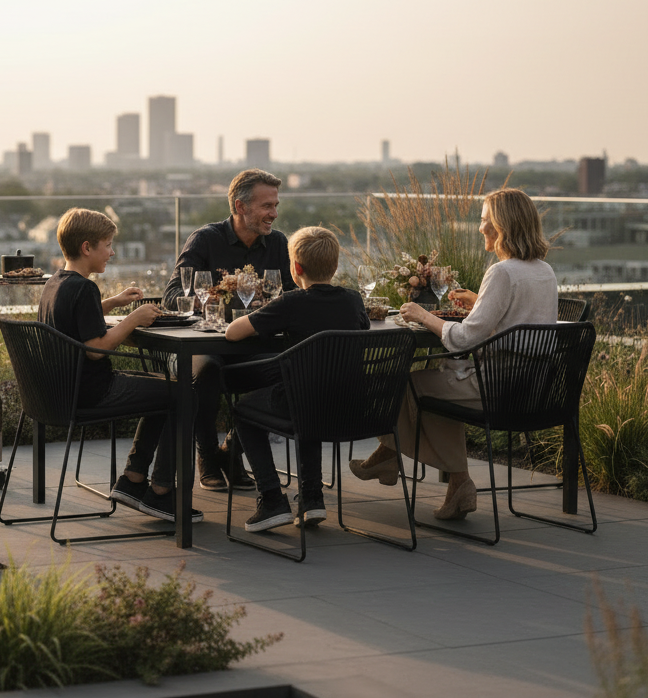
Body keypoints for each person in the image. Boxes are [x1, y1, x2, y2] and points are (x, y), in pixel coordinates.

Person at [349, 188, 557, 521]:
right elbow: (521, 320)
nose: (480, 228)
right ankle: (400, 460)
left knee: (409, 384)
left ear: (502, 225)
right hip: (534, 388)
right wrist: (481, 303)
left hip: (496, 387)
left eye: (484, 220)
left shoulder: (503, 272)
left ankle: (446, 475)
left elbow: (461, 340)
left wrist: (422, 315)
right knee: (428, 386)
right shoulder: (543, 271)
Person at [39, 207, 201, 523]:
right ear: (87, 247)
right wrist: (134, 318)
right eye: (108, 245)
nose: (112, 252)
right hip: (92, 392)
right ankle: (162, 493)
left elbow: (76, 316)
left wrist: (113, 304)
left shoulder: (58, 281)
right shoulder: (84, 286)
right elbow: (96, 349)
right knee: (185, 394)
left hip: (61, 390)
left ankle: (133, 479)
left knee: (166, 389)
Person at [225, 226, 369, 532]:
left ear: (295, 268)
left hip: (306, 404)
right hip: (352, 407)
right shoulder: (353, 300)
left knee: (245, 412)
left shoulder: (290, 303)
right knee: (308, 394)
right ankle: (312, 499)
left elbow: (232, 332)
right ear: (335, 266)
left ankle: (272, 498)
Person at [161, 168, 296, 492]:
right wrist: (214, 299)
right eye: (267, 206)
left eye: (275, 206)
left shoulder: (278, 244)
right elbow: (172, 296)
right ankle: (207, 454)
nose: (274, 214)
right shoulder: (206, 239)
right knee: (205, 371)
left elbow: (293, 296)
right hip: (207, 346)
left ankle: (232, 449)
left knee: (293, 367)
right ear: (240, 206)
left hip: (254, 348)